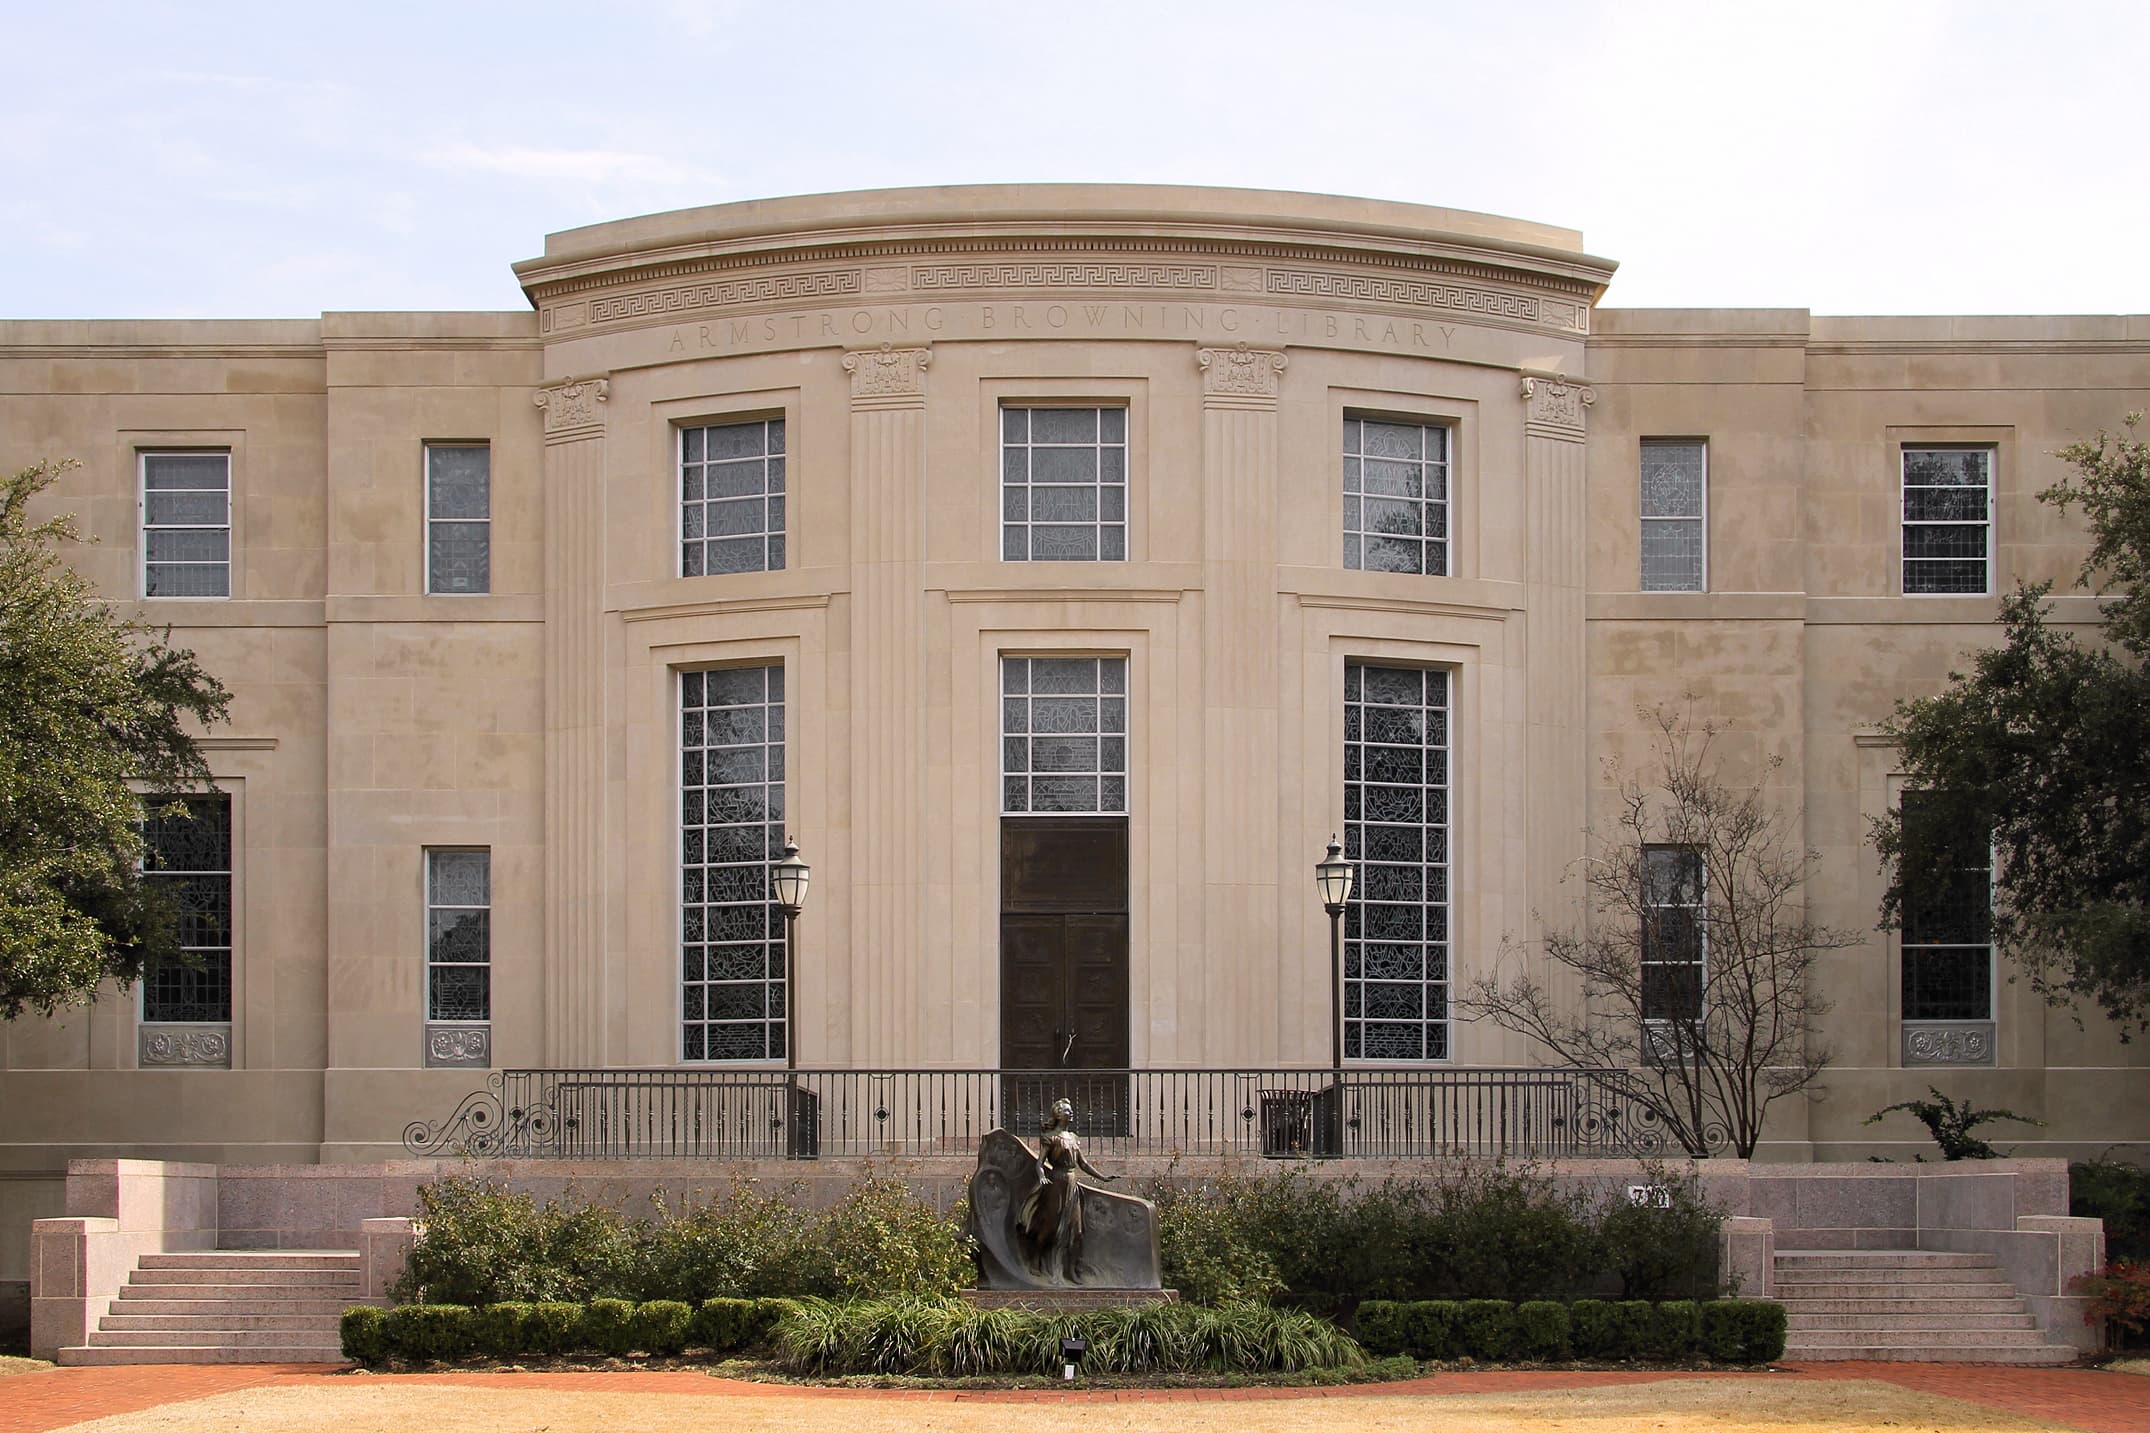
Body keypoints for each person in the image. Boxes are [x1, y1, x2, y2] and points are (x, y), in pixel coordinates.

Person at [1015, 1097, 1118, 1283]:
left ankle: (1071, 1271)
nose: (1071, 1113)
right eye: (1066, 1111)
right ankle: (1035, 1259)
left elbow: (1083, 1164)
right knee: (1050, 1227)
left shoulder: (1073, 1138)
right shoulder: (1050, 1138)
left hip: (1071, 1184)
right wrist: (1041, 1176)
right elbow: (1039, 1163)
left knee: (1076, 1231)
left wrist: (1102, 1177)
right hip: (1056, 1184)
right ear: (1058, 1115)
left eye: (1070, 1111)